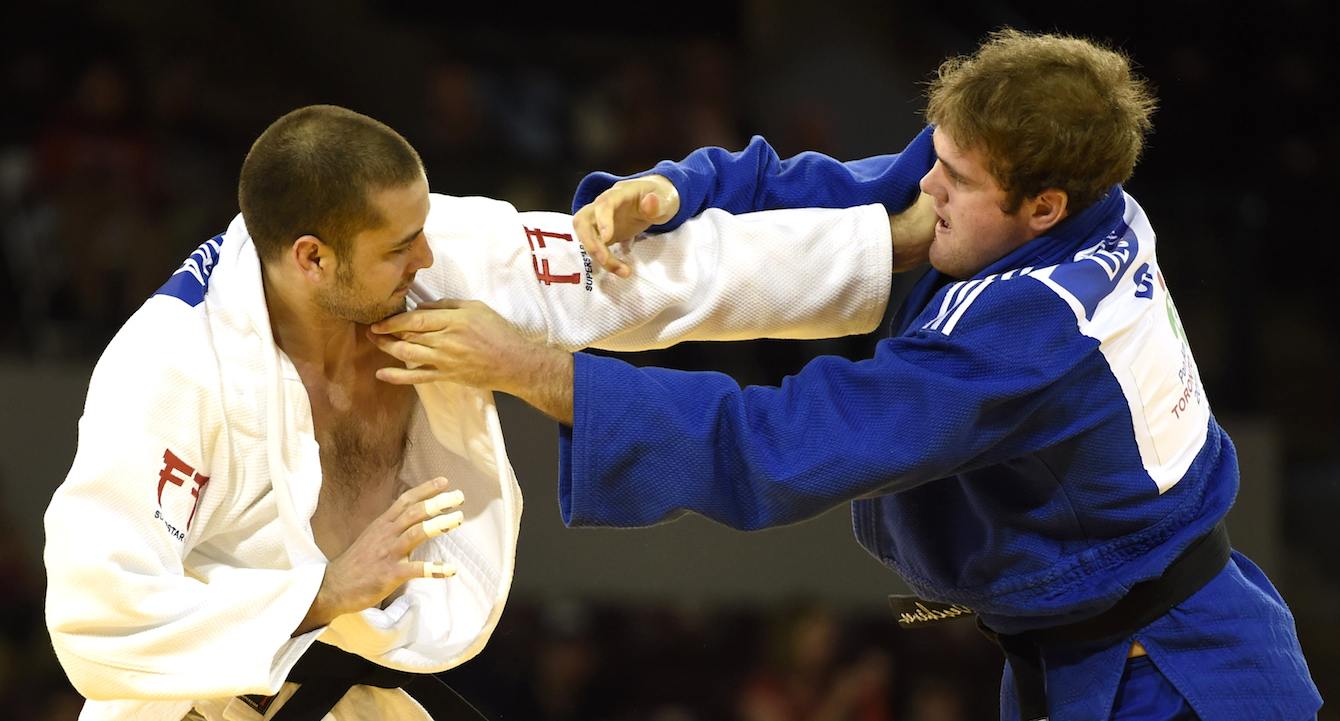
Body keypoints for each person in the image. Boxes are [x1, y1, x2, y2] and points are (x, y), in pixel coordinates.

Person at [370, 31, 1323, 720]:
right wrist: (680, 185)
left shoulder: (1032, 332)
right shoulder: (1070, 189)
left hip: (1173, 673)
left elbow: (781, 444)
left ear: (1042, 206)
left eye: (956, 182)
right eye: (938, 157)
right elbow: (839, 186)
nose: (927, 188)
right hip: (1086, 645)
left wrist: (536, 368)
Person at [42, 104, 935, 721]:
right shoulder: (171, 364)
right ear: (312, 258)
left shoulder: (438, 255)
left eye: (425, 227)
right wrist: (322, 595)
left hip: (357, 696)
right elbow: (94, 610)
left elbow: (658, 278)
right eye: (401, 246)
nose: (429, 256)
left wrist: (884, 247)